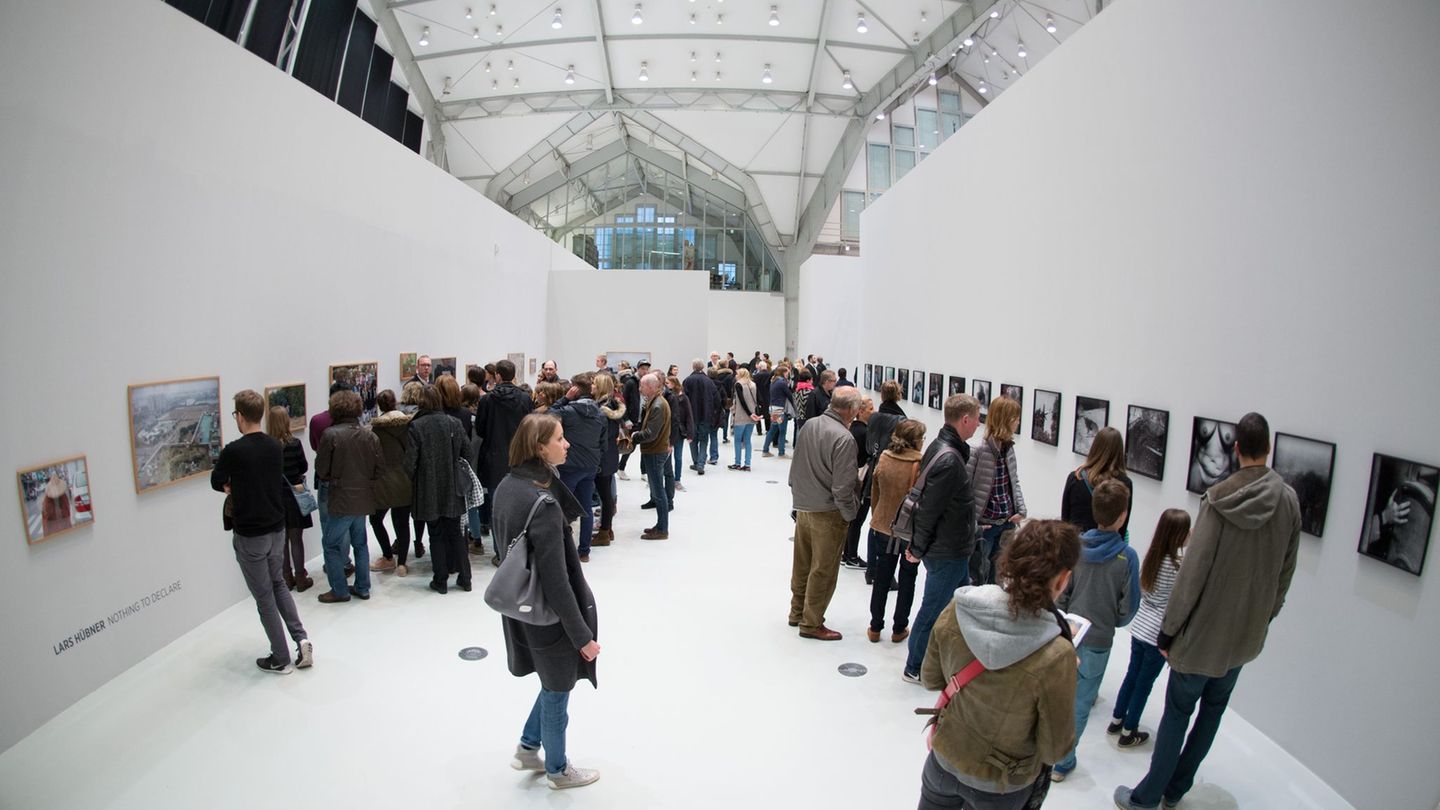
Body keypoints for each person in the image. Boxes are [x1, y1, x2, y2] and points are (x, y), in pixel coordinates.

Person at [1115, 413, 1301, 810]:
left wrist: (1169, 630)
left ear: (1236, 449)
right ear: (1268, 449)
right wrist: (1265, 616)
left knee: (1177, 715)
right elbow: (1285, 572)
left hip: (1201, 638)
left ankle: (1147, 796)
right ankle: (1176, 790)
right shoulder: (1288, 502)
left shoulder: (1218, 501)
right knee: (1212, 714)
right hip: (1244, 637)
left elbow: (1192, 576)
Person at [917, 520, 1080, 810]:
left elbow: (931, 678)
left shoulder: (961, 609)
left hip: (945, 760)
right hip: (1001, 784)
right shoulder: (1057, 655)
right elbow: (1055, 747)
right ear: (1062, 579)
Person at [495, 413, 602, 790]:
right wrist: (581, 636)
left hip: (521, 607)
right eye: (560, 438)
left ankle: (528, 747)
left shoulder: (508, 486)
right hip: (549, 616)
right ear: (540, 447)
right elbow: (558, 583)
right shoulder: (543, 503)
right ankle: (558, 769)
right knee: (558, 688)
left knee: (551, 680)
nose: (567, 444)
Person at [213, 390, 313, 674]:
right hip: (276, 528)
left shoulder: (233, 451)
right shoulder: (273, 445)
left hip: (251, 534)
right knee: (278, 584)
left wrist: (229, 485)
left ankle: (280, 657)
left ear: (240, 416)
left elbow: (216, 480)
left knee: (264, 596)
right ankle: (301, 638)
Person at [1052, 478, 1139, 781]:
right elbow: (1129, 607)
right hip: (1099, 639)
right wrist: (1111, 618)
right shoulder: (1127, 558)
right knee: (1080, 702)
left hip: (1068, 635)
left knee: (1056, 694)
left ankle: (1044, 752)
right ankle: (1062, 762)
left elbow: (1062, 592)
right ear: (1123, 515)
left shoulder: (1076, 547)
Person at [902, 394, 981, 682]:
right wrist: (918, 547)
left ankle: (946, 660)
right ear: (964, 419)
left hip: (953, 549)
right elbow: (929, 508)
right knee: (933, 609)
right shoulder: (949, 459)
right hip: (945, 551)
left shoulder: (944, 448)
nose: (979, 423)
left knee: (959, 609)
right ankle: (915, 666)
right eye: (976, 418)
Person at [1109, 509, 1191, 749]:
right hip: (1158, 634)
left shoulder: (1153, 557)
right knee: (1144, 684)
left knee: (1132, 675)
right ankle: (1129, 730)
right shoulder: (1179, 564)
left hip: (1141, 626)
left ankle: (1116, 719)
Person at [787, 387, 863, 641]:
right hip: (828, 512)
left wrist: (796, 496)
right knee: (823, 570)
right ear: (852, 410)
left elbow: (796, 463)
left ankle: (797, 612)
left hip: (804, 506)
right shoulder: (844, 438)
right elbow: (843, 486)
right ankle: (811, 623)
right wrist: (850, 514)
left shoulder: (810, 424)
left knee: (803, 564)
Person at [314, 390, 380, 603]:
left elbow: (321, 469)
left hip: (341, 499)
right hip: (363, 498)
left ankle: (340, 590)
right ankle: (363, 586)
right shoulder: (369, 435)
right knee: (360, 543)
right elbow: (379, 469)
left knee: (331, 544)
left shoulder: (331, 435)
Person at [866, 419, 926, 644]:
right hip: (908, 531)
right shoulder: (919, 464)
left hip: (883, 526)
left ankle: (875, 627)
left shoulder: (884, 457)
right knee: (908, 579)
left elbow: (875, 491)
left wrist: (877, 516)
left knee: (882, 576)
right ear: (916, 441)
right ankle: (899, 628)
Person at [407, 385, 470, 594]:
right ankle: (465, 577)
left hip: (428, 489)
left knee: (435, 534)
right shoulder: (454, 422)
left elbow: (410, 463)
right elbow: (467, 452)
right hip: (452, 487)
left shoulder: (416, 426)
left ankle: (440, 580)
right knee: (456, 533)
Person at [967, 396, 1028, 586]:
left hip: (1007, 524)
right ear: (1006, 419)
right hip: (986, 526)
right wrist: (973, 522)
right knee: (978, 579)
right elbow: (965, 490)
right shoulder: (977, 451)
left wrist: (1021, 510)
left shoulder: (1009, 450)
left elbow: (1013, 482)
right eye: (1016, 417)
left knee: (998, 580)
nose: (1018, 421)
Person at [549, 372, 606, 562]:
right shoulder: (600, 413)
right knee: (586, 508)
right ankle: (584, 551)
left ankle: (562, 549)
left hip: (569, 466)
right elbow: (603, 443)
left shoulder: (568, 411)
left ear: (574, 389)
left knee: (561, 508)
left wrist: (565, 399)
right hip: (590, 466)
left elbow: (549, 416)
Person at [475, 359, 531, 543]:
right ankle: (518, 545)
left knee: (496, 505)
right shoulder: (525, 398)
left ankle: (500, 550)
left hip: (494, 457)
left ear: (497, 375)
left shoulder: (486, 400)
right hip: (520, 457)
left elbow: (481, 430)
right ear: (513, 375)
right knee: (520, 503)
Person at [265, 405, 314, 591]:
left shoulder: (268, 447)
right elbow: (304, 467)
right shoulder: (294, 443)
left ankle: (287, 577)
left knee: (281, 541)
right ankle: (301, 577)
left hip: (276, 499)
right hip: (295, 496)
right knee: (296, 539)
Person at [863, 381, 908, 584]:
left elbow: (868, 445)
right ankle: (884, 573)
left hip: (875, 469)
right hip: (892, 472)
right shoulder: (901, 420)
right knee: (889, 522)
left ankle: (872, 569)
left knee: (876, 519)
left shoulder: (874, 418)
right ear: (898, 395)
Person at [367, 390, 414, 576]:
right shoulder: (409, 425)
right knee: (402, 523)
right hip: (404, 479)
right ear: (395, 403)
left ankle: (388, 556)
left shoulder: (376, 430)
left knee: (375, 519)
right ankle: (402, 563)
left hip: (384, 480)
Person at [1061, 425, 1134, 537]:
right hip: (1107, 549)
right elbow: (1122, 527)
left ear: (1095, 447)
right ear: (1120, 451)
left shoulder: (1076, 477)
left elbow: (1064, 520)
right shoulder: (1124, 484)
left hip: (1075, 546)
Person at [629, 373, 674, 540]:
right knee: (656, 490)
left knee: (658, 492)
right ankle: (660, 525)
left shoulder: (658, 405)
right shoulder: (655, 402)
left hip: (655, 451)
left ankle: (662, 529)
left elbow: (650, 433)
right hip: (654, 451)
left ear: (652, 387)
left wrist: (634, 437)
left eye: (642, 386)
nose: (640, 389)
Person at [590, 373, 626, 548]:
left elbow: (600, 437)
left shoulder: (603, 410)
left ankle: (604, 532)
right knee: (606, 495)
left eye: (595, 384)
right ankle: (607, 529)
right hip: (610, 455)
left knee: (604, 494)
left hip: (603, 457)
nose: (592, 387)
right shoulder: (612, 406)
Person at [840, 396, 874, 567]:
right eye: (870, 409)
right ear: (860, 411)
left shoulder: (853, 429)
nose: (873, 412)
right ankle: (851, 555)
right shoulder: (863, 433)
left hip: (852, 479)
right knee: (857, 519)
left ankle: (846, 553)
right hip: (860, 481)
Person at [682, 359, 720, 474]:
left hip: (691, 416)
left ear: (693, 367)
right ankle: (701, 464)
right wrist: (715, 412)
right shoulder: (709, 381)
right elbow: (716, 399)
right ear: (703, 367)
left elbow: (683, 399)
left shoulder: (687, 381)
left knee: (692, 440)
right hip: (706, 415)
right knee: (704, 441)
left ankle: (696, 462)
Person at [615, 361, 648, 480]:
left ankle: (644, 472)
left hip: (643, 420)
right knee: (630, 446)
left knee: (645, 445)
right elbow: (623, 402)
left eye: (646, 369)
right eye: (643, 368)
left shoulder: (646, 382)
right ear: (638, 369)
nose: (645, 371)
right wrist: (626, 419)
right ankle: (621, 468)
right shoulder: (630, 383)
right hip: (632, 420)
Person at [664, 375, 695, 494]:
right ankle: (668, 480)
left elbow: (688, 415)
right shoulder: (666, 397)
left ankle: (677, 479)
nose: (667, 385)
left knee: (678, 456)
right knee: (667, 457)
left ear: (675, 384)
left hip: (679, 431)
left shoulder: (683, 398)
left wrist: (690, 433)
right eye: (666, 383)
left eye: (669, 383)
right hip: (668, 430)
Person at [728, 367, 760, 471]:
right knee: (747, 440)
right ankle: (747, 464)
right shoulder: (753, 384)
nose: (736, 376)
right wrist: (752, 413)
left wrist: (749, 413)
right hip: (752, 416)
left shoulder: (738, 384)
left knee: (737, 440)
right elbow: (758, 399)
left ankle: (737, 463)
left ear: (741, 375)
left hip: (741, 416)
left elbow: (741, 401)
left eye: (737, 374)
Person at [762, 364, 792, 457]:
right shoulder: (782, 382)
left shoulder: (774, 381)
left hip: (773, 408)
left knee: (773, 429)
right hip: (779, 409)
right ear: (783, 372)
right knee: (782, 431)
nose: (788, 374)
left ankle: (765, 450)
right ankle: (781, 453)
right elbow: (789, 395)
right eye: (787, 372)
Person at [713, 363, 735, 450]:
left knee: (716, 416)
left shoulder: (716, 375)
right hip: (727, 398)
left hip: (717, 398)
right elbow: (731, 388)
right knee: (726, 416)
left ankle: (715, 432)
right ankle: (725, 437)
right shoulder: (730, 376)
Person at [791, 368, 815, 443]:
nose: (812, 381)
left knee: (799, 435)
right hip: (808, 418)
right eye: (811, 380)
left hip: (799, 416)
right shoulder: (810, 392)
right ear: (808, 380)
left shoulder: (797, 391)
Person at [753, 360, 773, 433]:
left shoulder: (756, 376)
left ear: (760, 367)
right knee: (767, 413)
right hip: (768, 396)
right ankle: (768, 429)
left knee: (758, 413)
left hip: (758, 396)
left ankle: (759, 430)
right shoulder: (770, 375)